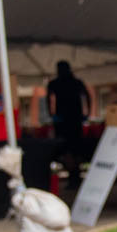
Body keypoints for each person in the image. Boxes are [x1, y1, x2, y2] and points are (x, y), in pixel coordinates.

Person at [46, 61, 90, 190]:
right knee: (70, 150)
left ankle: (75, 177)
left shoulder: (65, 83)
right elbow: (87, 96)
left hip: (70, 121)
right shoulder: (69, 83)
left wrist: (85, 113)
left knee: (71, 150)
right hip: (68, 120)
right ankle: (74, 177)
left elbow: (87, 96)